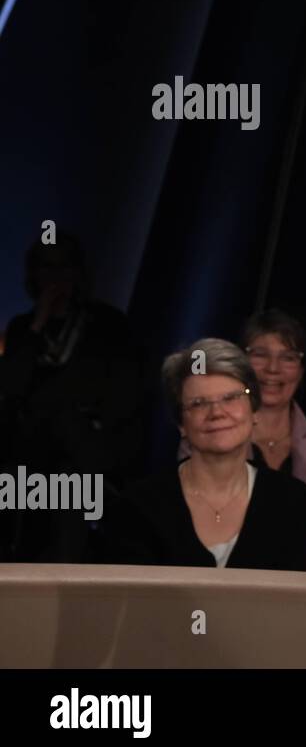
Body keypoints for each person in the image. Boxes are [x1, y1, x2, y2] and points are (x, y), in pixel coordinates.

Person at [97, 338, 306, 571]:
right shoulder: (138, 505)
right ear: (181, 423)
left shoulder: (293, 502)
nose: (217, 412)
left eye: (230, 398)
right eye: (199, 403)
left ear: (253, 410)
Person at [0, 231, 148, 562]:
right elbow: (10, 387)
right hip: (32, 452)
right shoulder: (23, 328)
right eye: (46, 268)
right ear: (34, 275)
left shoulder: (108, 324)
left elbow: (124, 396)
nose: (55, 278)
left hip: (87, 451)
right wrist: (38, 324)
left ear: (77, 272)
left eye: (63, 268)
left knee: (69, 495)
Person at [177, 310, 306, 572]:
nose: (273, 369)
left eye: (288, 357)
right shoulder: (207, 434)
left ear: (303, 368)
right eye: (260, 354)